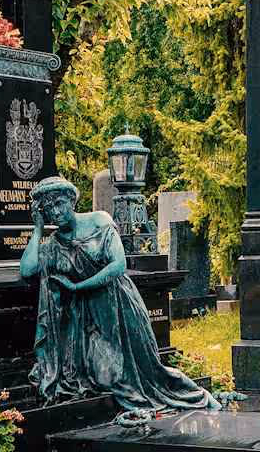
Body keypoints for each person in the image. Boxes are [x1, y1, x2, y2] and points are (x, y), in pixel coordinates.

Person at [20, 175, 218, 412]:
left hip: (117, 308)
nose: (55, 212)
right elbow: (27, 269)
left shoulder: (98, 221)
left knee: (149, 374)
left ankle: (202, 398)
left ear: (72, 201)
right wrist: (37, 229)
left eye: (59, 203)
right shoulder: (53, 243)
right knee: (106, 378)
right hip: (85, 320)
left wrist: (78, 287)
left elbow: (118, 265)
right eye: (48, 208)